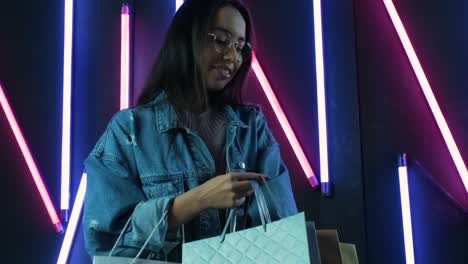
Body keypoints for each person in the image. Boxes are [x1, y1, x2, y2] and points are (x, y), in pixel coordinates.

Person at [83, 0, 298, 261]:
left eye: (240, 46)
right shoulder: (130, 131)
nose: (232, 57)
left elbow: (280, 229)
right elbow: (105, 237)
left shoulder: (251, 128)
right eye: (220, 40)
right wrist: (196, 200)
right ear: (186, 41)